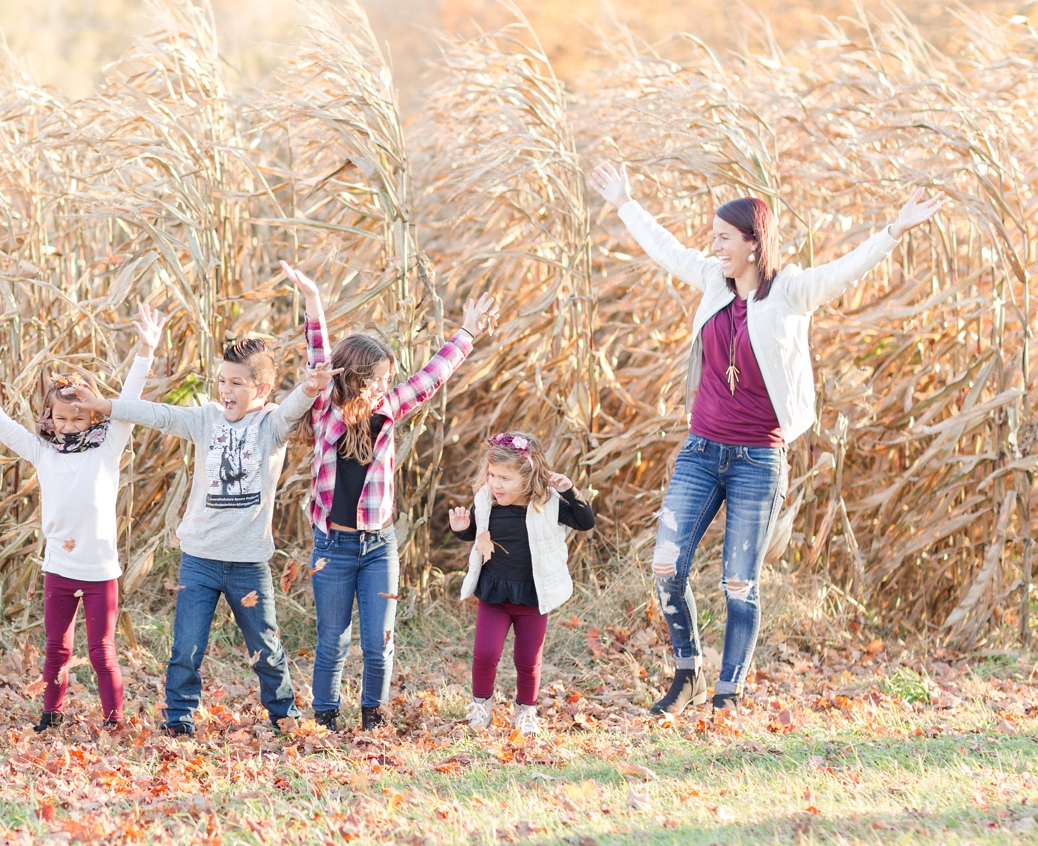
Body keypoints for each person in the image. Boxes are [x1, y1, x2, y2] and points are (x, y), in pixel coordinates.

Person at [589, 161, 948, 714]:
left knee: (738, 582)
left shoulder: (791, 292)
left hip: (759, 458)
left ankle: (727, 693)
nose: (715, 248)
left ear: (755, 244)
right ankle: (686, 672)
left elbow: (846, 269)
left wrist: (893, 231)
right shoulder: (712, 280)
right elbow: (662, 247)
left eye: (724, 239)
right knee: (666, 564)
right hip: (702, 451)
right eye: (713, 238)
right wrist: (624, 202)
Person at [69, 334, 338, 736]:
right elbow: (157, 414)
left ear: (261, 390)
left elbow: (293, 409)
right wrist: (104, 405)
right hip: (199, 558)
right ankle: (178, 720)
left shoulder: (270, 425)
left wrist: (310, 388)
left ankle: (285, 718)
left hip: (248, 562)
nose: (225, 391)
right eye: (222, 381)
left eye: (236, 383)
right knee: (186, 649)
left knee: (266, 649)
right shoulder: (205, 419)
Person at [281, 260, 497, 731]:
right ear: (352, 375)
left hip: (379, 546)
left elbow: (433, 375)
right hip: (333, 548)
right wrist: (313, 298)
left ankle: (373, 718)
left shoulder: (390, 407)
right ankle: (325, 717)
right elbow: (318, 351)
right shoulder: (324, 409)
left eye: (386, 378)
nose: (384, 385)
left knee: (380, 638)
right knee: (332, 640)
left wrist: (467, 333)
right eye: (376, 377)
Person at [0, 307, 162, 730]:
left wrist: (145, 352)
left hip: (99, 571)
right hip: (59, 567)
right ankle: (50, 715)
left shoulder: (107, 446)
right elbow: (1, 426)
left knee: (101, 651)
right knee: (57, 649)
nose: (70, 425)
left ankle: (115, 722)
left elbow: (128, 404)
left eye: (79, 417)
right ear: (49, 418)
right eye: (61, 417)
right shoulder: (43, 452)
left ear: (94, 414)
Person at [448, 432, 593, 735]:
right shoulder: (486, 501)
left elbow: (585, 522)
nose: (496, 484)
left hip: (532, 594)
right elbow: (477, 534)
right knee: (485, 652)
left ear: (528, 477)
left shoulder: (549, 504)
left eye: (505, 478)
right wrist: (462, 530)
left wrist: (570, 492)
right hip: (495, 593)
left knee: (528, 659)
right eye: (491, 475)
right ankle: (481, 706)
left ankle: (525, 712)